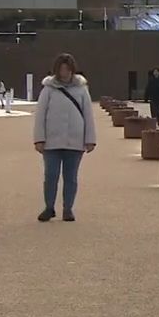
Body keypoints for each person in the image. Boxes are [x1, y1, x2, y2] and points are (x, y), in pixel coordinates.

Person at [33, 53, 97, 222]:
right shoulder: (48, 89)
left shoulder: (81, 89)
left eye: (67, 69)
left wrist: (90, 139)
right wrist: (39, 139)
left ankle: (68, 209)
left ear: (72, 70)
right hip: (52, 141)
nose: (64, 73)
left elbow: (88, 115)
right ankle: (49, 207)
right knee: (51, 175)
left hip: (74, 140)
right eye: (61, 69)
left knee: (71, 177)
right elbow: (40, 115)